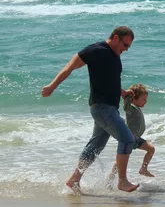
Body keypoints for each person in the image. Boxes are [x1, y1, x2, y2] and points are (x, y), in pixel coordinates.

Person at [41, 26, 139, 193]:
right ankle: (122, 181)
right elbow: (69, 67)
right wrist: (52, 86)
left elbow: (108, 79)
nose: (126, 49)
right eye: (125, 45)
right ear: (115, 38)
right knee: (127, 139)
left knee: (95, 146)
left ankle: (74, 179)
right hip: (102, 108)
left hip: (109, 108)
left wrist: (122, 92)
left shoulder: (115, 56)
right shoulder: (96, 50)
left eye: (129, 46)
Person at [108, 83, 155, 182]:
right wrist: (127, 97)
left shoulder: (136, 108)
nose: (145, 102)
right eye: (144, 99)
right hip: (130, 138)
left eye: (146, 100)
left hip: (136, 138)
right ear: (134, 98)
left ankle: (143, 169)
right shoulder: (132, 108)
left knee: (151, 149)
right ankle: (111, 176)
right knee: (121, 159)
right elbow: (126, 107)